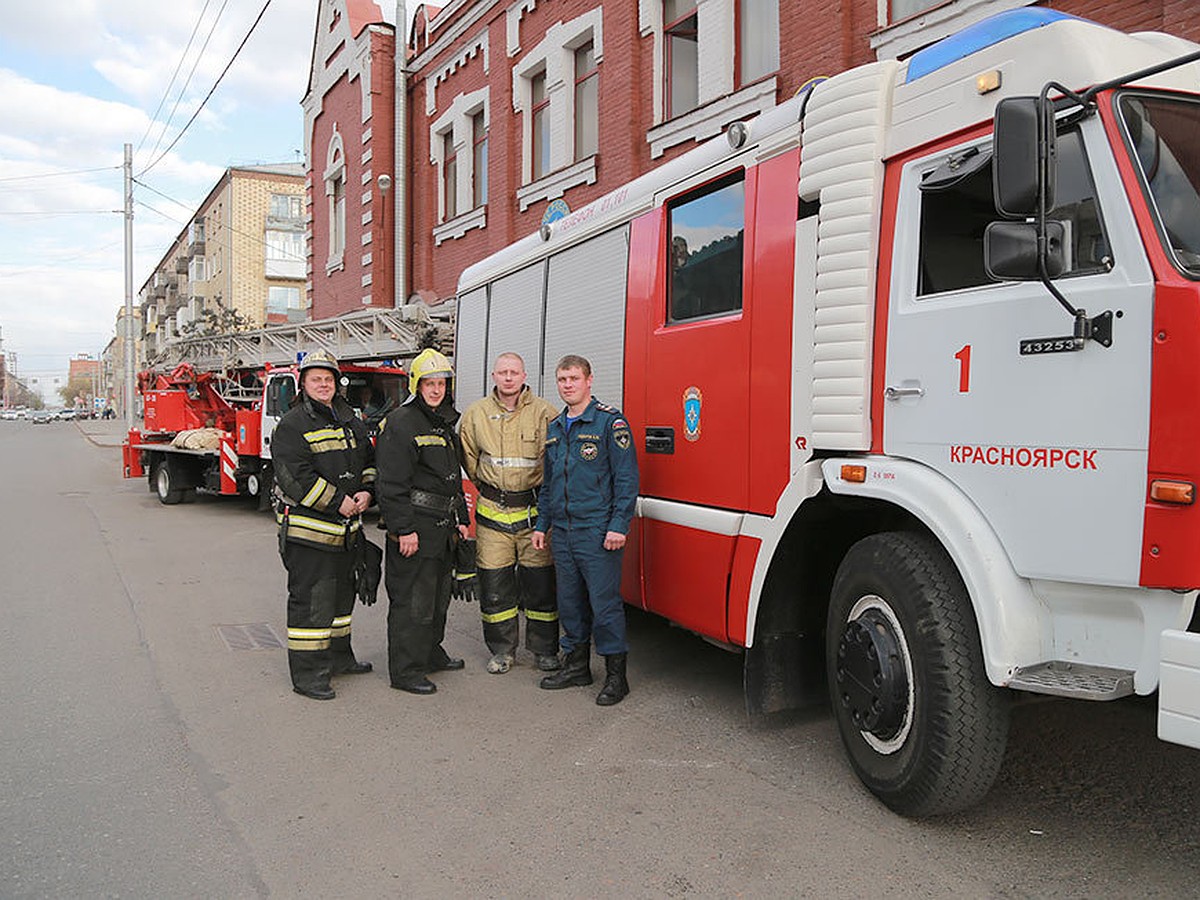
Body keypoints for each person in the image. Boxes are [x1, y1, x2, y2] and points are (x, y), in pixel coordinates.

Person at [532, 355, 639, 705]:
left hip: (597, 531)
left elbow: (626, 479)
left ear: (589, 380)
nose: (567, 385)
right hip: (562, 532)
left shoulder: (610, 423)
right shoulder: (555, 427)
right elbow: (548, 485)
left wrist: (618, 525)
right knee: (570, 602)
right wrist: (542, 525)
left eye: (574, 378)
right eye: (562, 379)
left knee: (604, 604)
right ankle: (577, 666)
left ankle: (615, 677)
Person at [273, 349, 376, 700]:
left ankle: (338, 659)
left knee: (340, 604)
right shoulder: (292, 424)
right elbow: (294, 479)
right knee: (312, 604)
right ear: (303, 384)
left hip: (346, 532)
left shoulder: (349, 418)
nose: (323, 384)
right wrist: (338, 501)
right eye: (316, 379)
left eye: (328, 379)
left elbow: (368, 459)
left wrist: (366, 491)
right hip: (310, 535)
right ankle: (309, 676)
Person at [459, 352, 560, 675]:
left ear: (523, 375)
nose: (508, 378)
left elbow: (555, 465)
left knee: (541, 587)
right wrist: (493, 490)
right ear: (493, 376)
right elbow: (470, 462)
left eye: (513, 372)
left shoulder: (545, 413)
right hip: (492, 517)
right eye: (502, 372)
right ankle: (502, 651)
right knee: (495, 588)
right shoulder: (476, 414)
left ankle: (544, 651)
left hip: (534, 517)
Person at [375, 348, 470, 695]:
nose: (435, 389)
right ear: (416, 384)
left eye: (441, 383)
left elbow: (450, 477)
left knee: (437, 599)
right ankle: (405, 670)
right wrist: (403, 529)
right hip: (415, 528)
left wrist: (461, 517)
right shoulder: (402, 422)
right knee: (412, 602)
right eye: (429, 383)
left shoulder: (441, 421)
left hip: (442, 528)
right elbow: (391, 484)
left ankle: (431, 653)